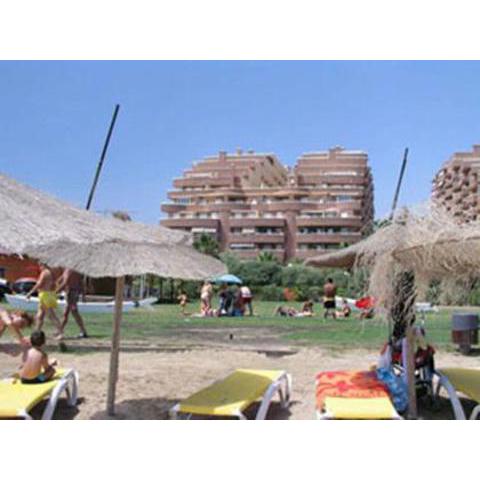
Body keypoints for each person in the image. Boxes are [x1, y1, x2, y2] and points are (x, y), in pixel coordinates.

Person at [26, 264, 62, 337]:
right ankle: (36, 332)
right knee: (40, 315)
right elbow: (54, 284)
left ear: (43, 265)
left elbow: (39, 284)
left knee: (51, 315)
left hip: (45, 295)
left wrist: (30, 292)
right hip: (49, 294)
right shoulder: (51, 272)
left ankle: (61, 332)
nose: (39, 267)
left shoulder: (44, 272)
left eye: (40, 266)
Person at [56, 269, 88, 338]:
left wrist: (56, 291)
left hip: (71, 293)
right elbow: (81, 283)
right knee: (67, 313)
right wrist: (83, 295)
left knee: (74, 312)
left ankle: (83, 331)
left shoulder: (69, 270)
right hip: (73, 293)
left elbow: (65, 282)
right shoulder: (72, 270)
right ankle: (60, 330)